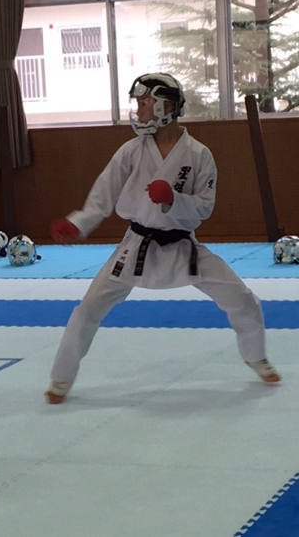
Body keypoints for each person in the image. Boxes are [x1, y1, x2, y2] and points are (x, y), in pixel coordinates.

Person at [45, 72, 281, 405]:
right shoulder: (131, 151)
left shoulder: (199, 154)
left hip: (183, 245)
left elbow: (204, 206)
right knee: (87, 310)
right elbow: (103, 195)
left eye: (144, 103)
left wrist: (173, 199)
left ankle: (256, 356)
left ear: (165, 106)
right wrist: (78, 223)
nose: (138, 110)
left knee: (243, 300)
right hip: (136, 246)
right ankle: (61, 377)